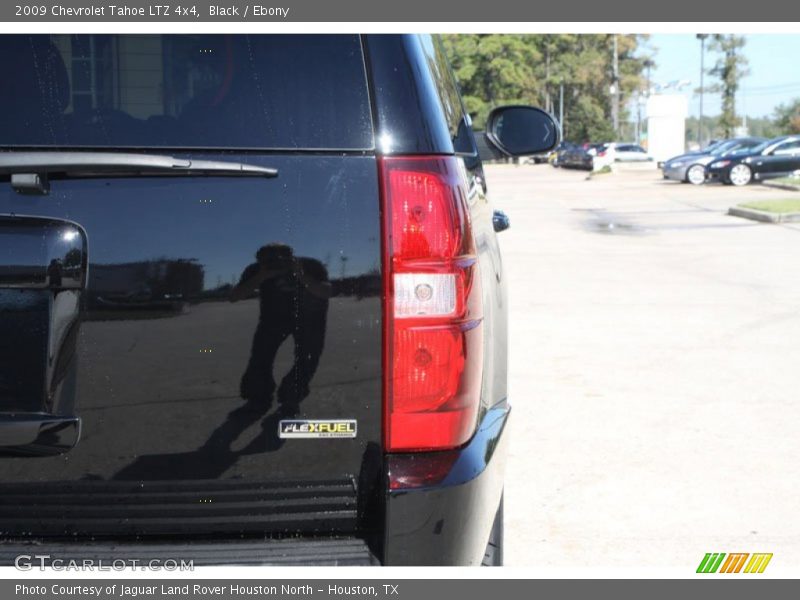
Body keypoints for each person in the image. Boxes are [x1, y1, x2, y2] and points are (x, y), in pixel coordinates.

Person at [230, 244, 331, 415]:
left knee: (307, 358)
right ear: (260, 261)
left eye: (280, 261)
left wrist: (301, 275)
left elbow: (326, 292)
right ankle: (258, 397)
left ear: (292, 258)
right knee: (260, 357)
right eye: (268, 262)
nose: (276, 265)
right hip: (273, 317)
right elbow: (234, 297)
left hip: (310, 318)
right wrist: (261, 276)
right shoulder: (257, 269)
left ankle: (291, 396)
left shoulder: (310, 265)